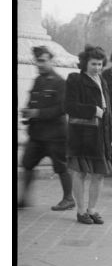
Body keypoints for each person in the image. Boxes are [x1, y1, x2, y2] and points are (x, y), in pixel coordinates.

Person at [19, 45, 74, 211]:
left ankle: (68, 199)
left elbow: (61, 109)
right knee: (27, 163)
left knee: (61, 167)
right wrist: (26, 114)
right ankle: (24, 199)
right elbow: (32, 102)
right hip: (37, 135)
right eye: (37, 61)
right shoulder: (38, 80)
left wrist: (37, 112)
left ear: (51, 61)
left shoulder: (60, 82)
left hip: (55, 135)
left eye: (43, 61)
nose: (40, 64)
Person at [65, 45, 112, 225]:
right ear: (85, 63)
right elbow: (69, 106)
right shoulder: (75, 79)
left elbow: (108, 108)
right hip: (82, 134)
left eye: (100, 64)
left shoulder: (102, 80)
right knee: (80, 173)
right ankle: (81, 211)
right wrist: (93, 110)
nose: (98, 68)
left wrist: (111, 128)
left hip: (101, 132)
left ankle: (92, 210)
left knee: (99, 174)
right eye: (94, 64)